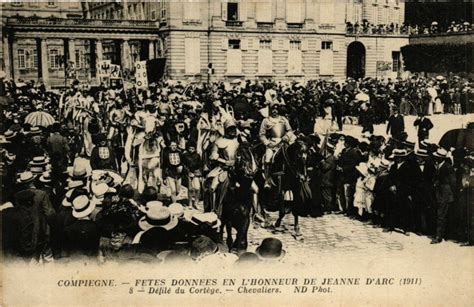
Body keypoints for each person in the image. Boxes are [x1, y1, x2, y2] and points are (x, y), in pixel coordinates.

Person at [259, 102, 295, 189]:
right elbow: (261, 134)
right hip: (272, 143)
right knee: (267, 159)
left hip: (283, 142)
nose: (275, 111)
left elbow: (290, 130)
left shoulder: (283, 119)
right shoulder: (266, 120)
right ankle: (267, 180)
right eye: (273, 109)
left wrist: (286, 136)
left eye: (276, 109)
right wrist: (267, 143)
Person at [431, 148, 457, 244]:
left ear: (441, 158)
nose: (436, 158)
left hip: (445, 194)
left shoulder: (447, 167)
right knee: (441, 214)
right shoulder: (439, 166)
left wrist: (452, 193)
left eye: (437, 157)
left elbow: (453, 182)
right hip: (440, 193)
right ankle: (441, 234)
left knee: (441, 215)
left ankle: (439, 236)